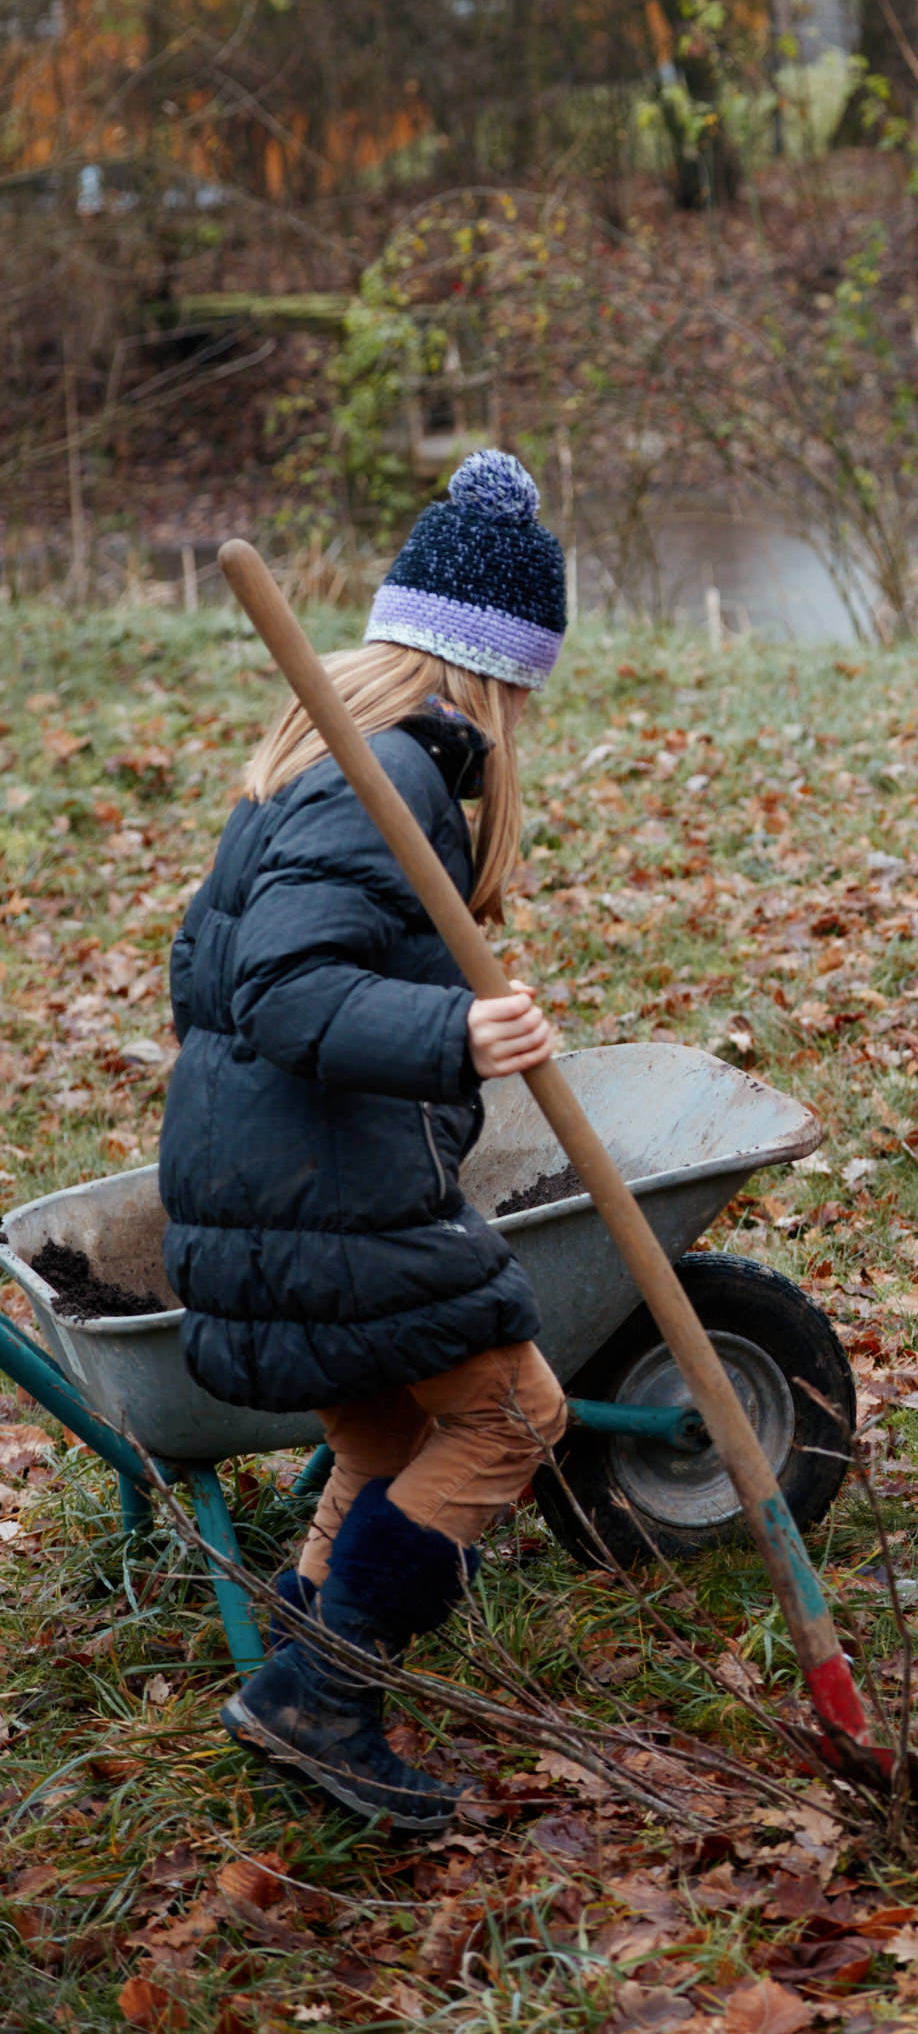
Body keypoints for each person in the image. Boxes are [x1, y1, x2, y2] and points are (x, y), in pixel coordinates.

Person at [159, 449, 571, 1831]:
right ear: (490, 674)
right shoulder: (380, 774)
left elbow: (218, 977)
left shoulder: (326, 754)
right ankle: (325, 1696)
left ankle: (299, 1661)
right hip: (317, 1198)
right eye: (523, 690)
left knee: (391, 1428)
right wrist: (454, 1037)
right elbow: (278, 988)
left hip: (265, 1185)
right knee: (515, 1416)